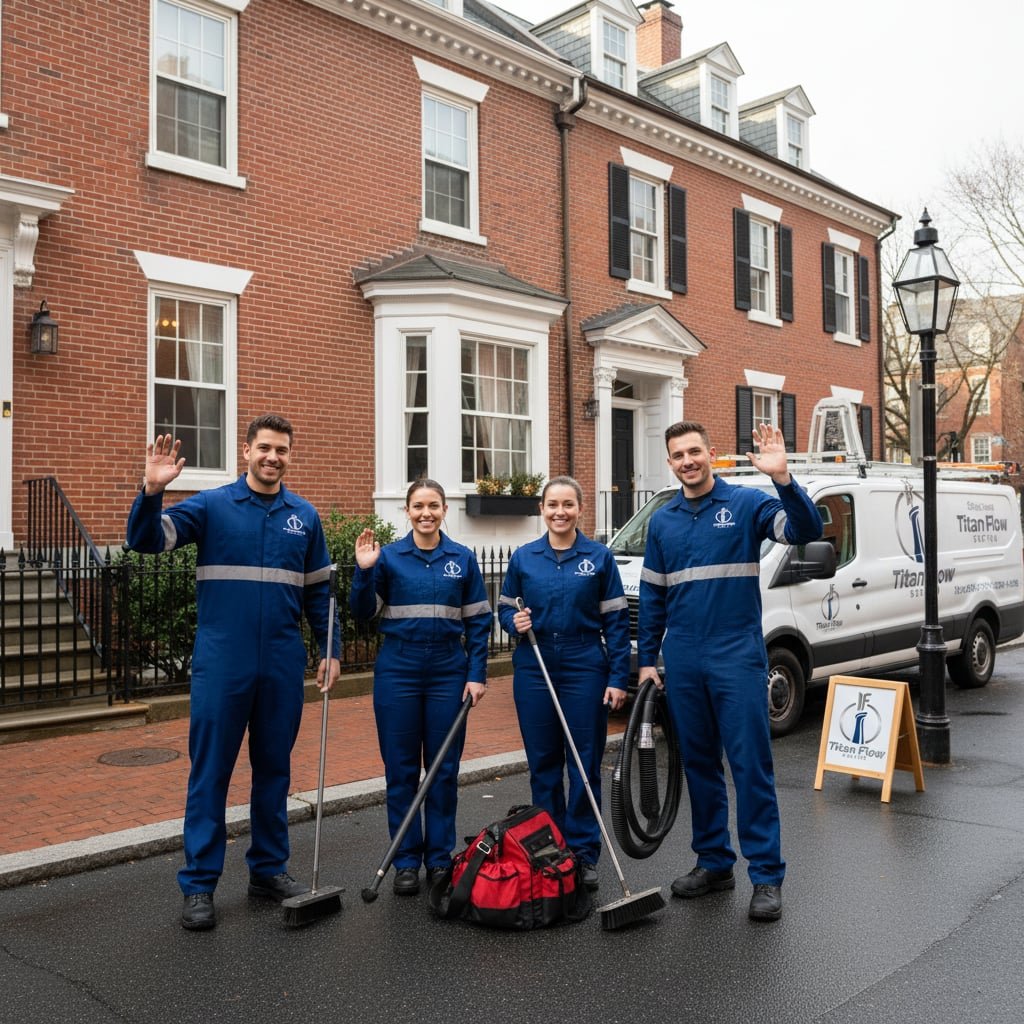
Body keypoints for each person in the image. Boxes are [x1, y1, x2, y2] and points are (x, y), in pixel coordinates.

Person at [126, 415, 340, 931]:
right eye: (264, 447)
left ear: (289, 455)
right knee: (210, 772)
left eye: (282, 450)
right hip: (224, 661)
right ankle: (199, 884)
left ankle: (268, 870)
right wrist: (151, 492)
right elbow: (147, 541)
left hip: (282, 661)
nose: (273, 457)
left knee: (274, 770)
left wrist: (329, 648)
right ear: (246, 450)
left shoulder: (304, 517)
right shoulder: (212, 506)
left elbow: (319, 592)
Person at [637, 421, 822, 922]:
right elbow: (653, 596)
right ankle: (715, 862)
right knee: (698, 764)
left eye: (694, 451)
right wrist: (646, 662)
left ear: (711, 453)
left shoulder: (745, 504)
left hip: (736, 654)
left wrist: (784, 479)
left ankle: (765, 875)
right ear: (671, 462)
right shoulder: (663, 521)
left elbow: (806, 530)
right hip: (684, 657)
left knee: (749, 765)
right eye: (678, 455)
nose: (687, 461)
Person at [351, 479, 490, 896]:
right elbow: (362, 615)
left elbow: (479, 622)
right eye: (417, 506)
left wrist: (477, 673)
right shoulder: (388, 558)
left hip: (449, 670)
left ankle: (439, 858)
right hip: (399, 670)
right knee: (402, 770)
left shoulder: (462, 559)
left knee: (444, 770)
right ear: (407, 511)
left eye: (433, 505)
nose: (425, 513)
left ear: (445, 509)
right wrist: (364, 570)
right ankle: (406, 860)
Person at [497, 476, 629, 891]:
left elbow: (617, 623)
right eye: (553, 504)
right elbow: (502, 612)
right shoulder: (524, 558)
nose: (560, 512)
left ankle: (584, 853)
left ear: (580, 509)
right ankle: (548, 851)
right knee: (544, 765)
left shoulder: (599, 557)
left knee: (583, 762)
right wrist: (511, 623)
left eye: (568, 505)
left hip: (584, 663)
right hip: (535, 665)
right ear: (542, 509)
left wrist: (617, 677)